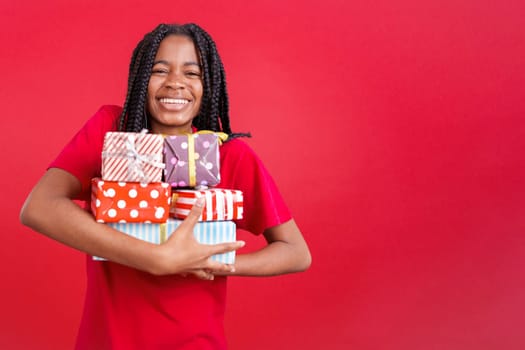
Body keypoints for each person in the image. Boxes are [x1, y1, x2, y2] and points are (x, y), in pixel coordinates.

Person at [20, 23, 311, 349]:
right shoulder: (110, 130)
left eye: (192, 73)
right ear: (141, 79)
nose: (175, 83)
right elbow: (40, 207)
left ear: (209, 85)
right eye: (160, 70)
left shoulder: (230, 155)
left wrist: (208, 262)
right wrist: (156, 258)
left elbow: (296, 253)